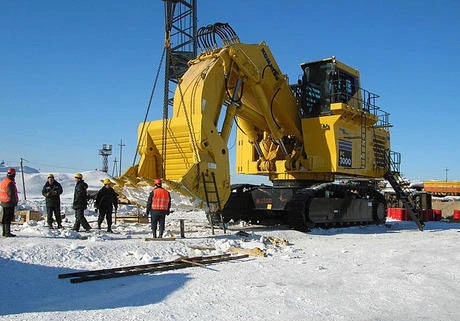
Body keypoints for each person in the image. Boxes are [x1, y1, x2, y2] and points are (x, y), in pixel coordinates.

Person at [0, 168, 19, 237]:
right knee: (8, 218)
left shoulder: (4, 181)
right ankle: (7, 233)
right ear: (13, 174)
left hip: (3, 202)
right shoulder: (10, 183)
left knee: (4, 217)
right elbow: (12, 194)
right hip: (9, 202)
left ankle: (4, 232)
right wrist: (15, 202)